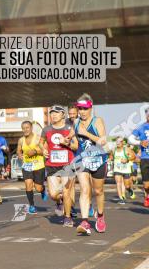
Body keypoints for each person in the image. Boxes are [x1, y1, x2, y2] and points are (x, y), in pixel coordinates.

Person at [73, 95, 108, 234]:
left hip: (98, 160)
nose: (82, 111)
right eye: (80, 108)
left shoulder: (97, 120)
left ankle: (100, 216)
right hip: (82, 160)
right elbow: (73, 141)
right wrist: (66, 141)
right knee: (85, 189)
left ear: (90, 108)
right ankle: (85, 221)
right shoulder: (76, 122)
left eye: (84, 109)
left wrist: (86, 133)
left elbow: (102, 141)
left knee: (98, 191)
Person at [41, 105, 78, 224]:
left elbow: (76, 146)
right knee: (53, 194)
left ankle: (67, 218)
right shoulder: (46, 129)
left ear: (63, 115)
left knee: (67, 192)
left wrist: (67, 144)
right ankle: (59, 201)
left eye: (56, 113)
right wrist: (43, 149)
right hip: (51, 165)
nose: (53, 115)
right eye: (51, 113)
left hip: (67, 164)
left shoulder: (70, 128)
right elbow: (41, 143)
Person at [17, 121, 46, 214]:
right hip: (27, 165)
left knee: (38, 188)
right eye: (23, 128)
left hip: (38, 166)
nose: (25, 130)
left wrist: (35, 151)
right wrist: (19, 154)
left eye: (27, 127)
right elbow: (18, 150)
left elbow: (45, 151)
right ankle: (32, 205)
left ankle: (43, 189)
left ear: (31, 128)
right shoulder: (21, 140)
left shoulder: (38, 139)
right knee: (28, 184)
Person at [111, 137, 136, 205]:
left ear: (123, 142)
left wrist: (127, 160)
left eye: (119, 141)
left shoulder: (127, 149)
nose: (118, 143)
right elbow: (111, 157)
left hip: (126, 170)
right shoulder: (114, 150)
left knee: (126, 185)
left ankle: (129, 190)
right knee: (118, 183)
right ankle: (121, 198)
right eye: (117, 141)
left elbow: (134, 157)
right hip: (117, 169)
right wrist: (109, 160)